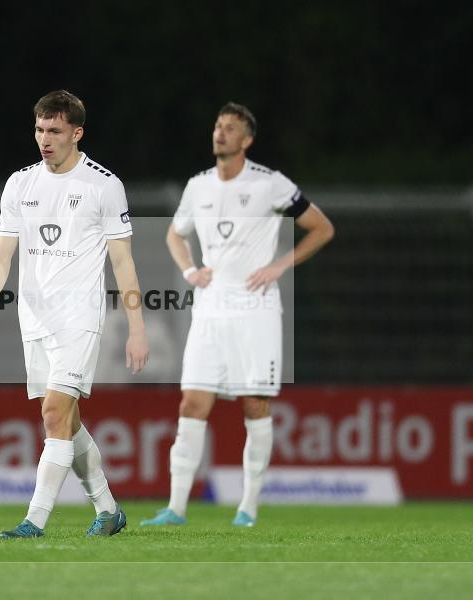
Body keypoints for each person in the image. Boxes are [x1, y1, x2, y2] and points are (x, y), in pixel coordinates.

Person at [141, 102, 334, 528]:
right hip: (210, 310)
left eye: (230, 128)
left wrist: (282, 265)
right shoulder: (198, 186)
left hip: (256, 310)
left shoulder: (270, 184)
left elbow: (322, 227)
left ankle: (248, 507)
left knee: (254, 404)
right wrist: (191, 269)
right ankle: (175, 508)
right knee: (192, 402)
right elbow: (175, 233)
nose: (220, 133)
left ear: (247, 140)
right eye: (217, 126)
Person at [0, 90, 149, 538]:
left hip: (79, 317)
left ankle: (35, 520)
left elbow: (123, 261)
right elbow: (0, 254)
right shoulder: (20, 184)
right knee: (65, 420)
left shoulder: (103, 185)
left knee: (54, 412)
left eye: (54, 131)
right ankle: (109, 511)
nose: (44, 139)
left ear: (77, 132)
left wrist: (136, 327)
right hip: (33, 318)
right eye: (39, 129)